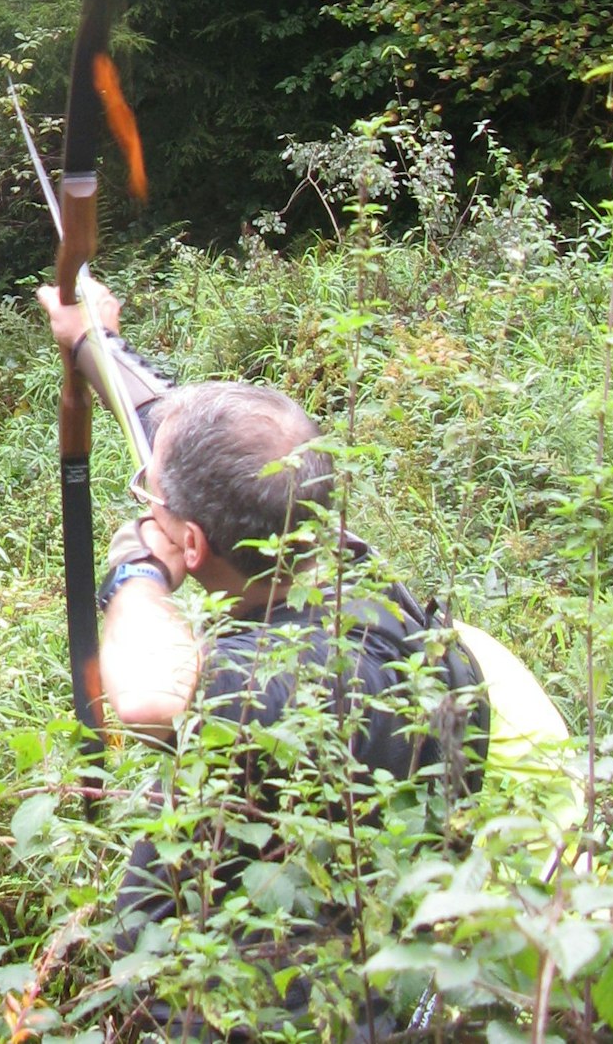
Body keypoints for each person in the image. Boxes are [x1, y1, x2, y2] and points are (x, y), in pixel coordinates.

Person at [37, 279, 488, 1037]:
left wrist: (137, 571)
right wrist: (93, 342)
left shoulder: (265, 681)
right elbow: (183, 434)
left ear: (194, 545)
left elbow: (145, 696)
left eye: (154, 500)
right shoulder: (364, 578)